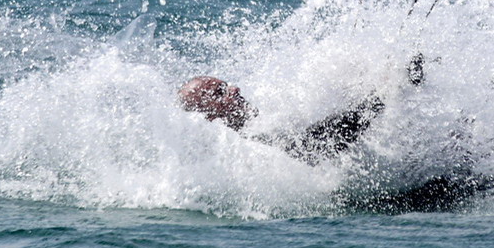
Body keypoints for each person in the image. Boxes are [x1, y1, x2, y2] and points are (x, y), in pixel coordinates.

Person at [178, 56, 422, 166]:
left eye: (226, 84)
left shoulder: (268, 116)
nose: (235, 89)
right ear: (209, 117)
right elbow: (317, 147)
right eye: (222, 93)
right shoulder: (245, 148)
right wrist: (385, 94)